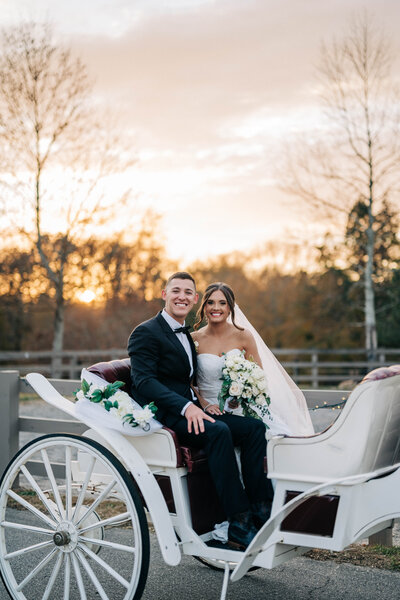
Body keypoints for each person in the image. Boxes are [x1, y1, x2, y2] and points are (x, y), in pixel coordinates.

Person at [128, 272, 273, 550]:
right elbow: (144, 382)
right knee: (218, 432)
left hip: (194, 409)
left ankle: (261, 508)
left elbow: (188, 381)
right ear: (164, 294)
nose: (181, 297)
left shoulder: (187, 335)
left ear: (195, 300)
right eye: (176, 291)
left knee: (254, 429)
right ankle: (239, 523)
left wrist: (202, 403)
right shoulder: (146, 331)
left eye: (187, 293)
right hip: (166, 416)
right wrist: (186, 408)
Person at [192, 282, 314, 437]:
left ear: (230, 308)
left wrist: (241, 396)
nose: (216, 308)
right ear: (203, 306)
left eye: (222, 303)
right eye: (210, 302)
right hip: (209, 408)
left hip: (241, 408)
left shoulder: (243, 336)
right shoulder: (194, 339)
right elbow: (187, 382)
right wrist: (205, 404)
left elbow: (257, 375)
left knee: (274, 435)